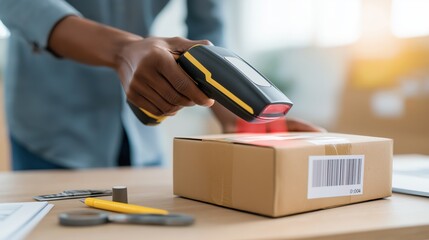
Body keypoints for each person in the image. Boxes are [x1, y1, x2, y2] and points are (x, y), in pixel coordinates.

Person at [0, 0, 323, 171]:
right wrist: (122, 51)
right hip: (50, 124)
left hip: (143, 133)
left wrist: (238, 115)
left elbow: (209, 28)